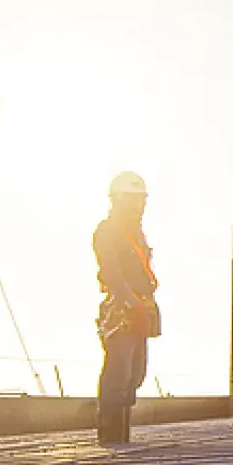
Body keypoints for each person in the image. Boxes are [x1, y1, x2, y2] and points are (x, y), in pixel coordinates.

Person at [94, 171, 160, 446]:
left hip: (140, 305)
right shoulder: (107, 230)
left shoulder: (137, 233)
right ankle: (111, 435)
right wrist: (130, 304)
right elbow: (111, 272)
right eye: (136, 200)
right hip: (122, 308)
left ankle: (121, 434)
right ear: (120, 200)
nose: (141, 206)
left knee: (136, 372)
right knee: (119, 369)